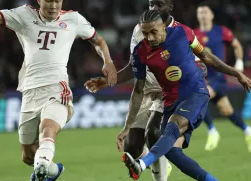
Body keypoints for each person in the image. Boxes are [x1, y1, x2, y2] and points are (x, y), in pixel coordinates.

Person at [0, 0, 117, 180]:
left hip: (57, 89)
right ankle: (51, 170)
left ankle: (40, 170)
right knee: (28, 155)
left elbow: (98, 40)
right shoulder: (24, 15)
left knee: (47, 128)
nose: (54, 5)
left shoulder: (73, 19)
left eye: (58, 1)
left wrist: (108, 61)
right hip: (30, 91)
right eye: (49, 1)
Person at [122, 10, 251, 181]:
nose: (149, 37)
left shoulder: (182, 33)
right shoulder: (140, 52)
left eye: (153, 32)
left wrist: (236, 73)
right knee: (171, 151)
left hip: (196, 93)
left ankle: (141, 164)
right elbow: (138, 90)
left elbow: (206, 56)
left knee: (173, 126)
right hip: (170, 102)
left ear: (163, 27)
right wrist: (127, 125)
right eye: (145, 33)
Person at [84, 1, 205, 180]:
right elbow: (134, 67)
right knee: (132, 148)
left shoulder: (181, 33)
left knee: (153, 132)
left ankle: (159, 173)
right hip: (145, 90)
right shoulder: (139, 30)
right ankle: (159, 161)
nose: (154, 7)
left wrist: (200, 72)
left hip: (169, 92)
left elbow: (201, 64)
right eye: (151, 3)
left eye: (159, 3)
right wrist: (109, 80)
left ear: (169, 7)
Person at [194, 3, 251, 152]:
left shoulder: (221, 31)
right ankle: (249, 131)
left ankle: (212, 131)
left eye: (205, 12)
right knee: (226, 110)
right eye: (200, 12)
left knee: (198, 98)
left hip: (217, 77)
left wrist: (240, 63)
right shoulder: (193, 34)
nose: (203, 15)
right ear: (197, 16)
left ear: (212, 15)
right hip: (201, 76)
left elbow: (237, 46)